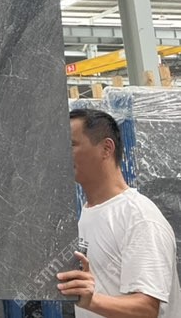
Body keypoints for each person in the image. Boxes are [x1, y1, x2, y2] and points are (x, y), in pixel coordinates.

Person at [58, 108, 181, 318]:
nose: (60, 154)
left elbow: (146, 309)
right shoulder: (89, 212)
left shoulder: (138, 217)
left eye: (70, 145)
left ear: (106, 148)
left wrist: (92, 300)